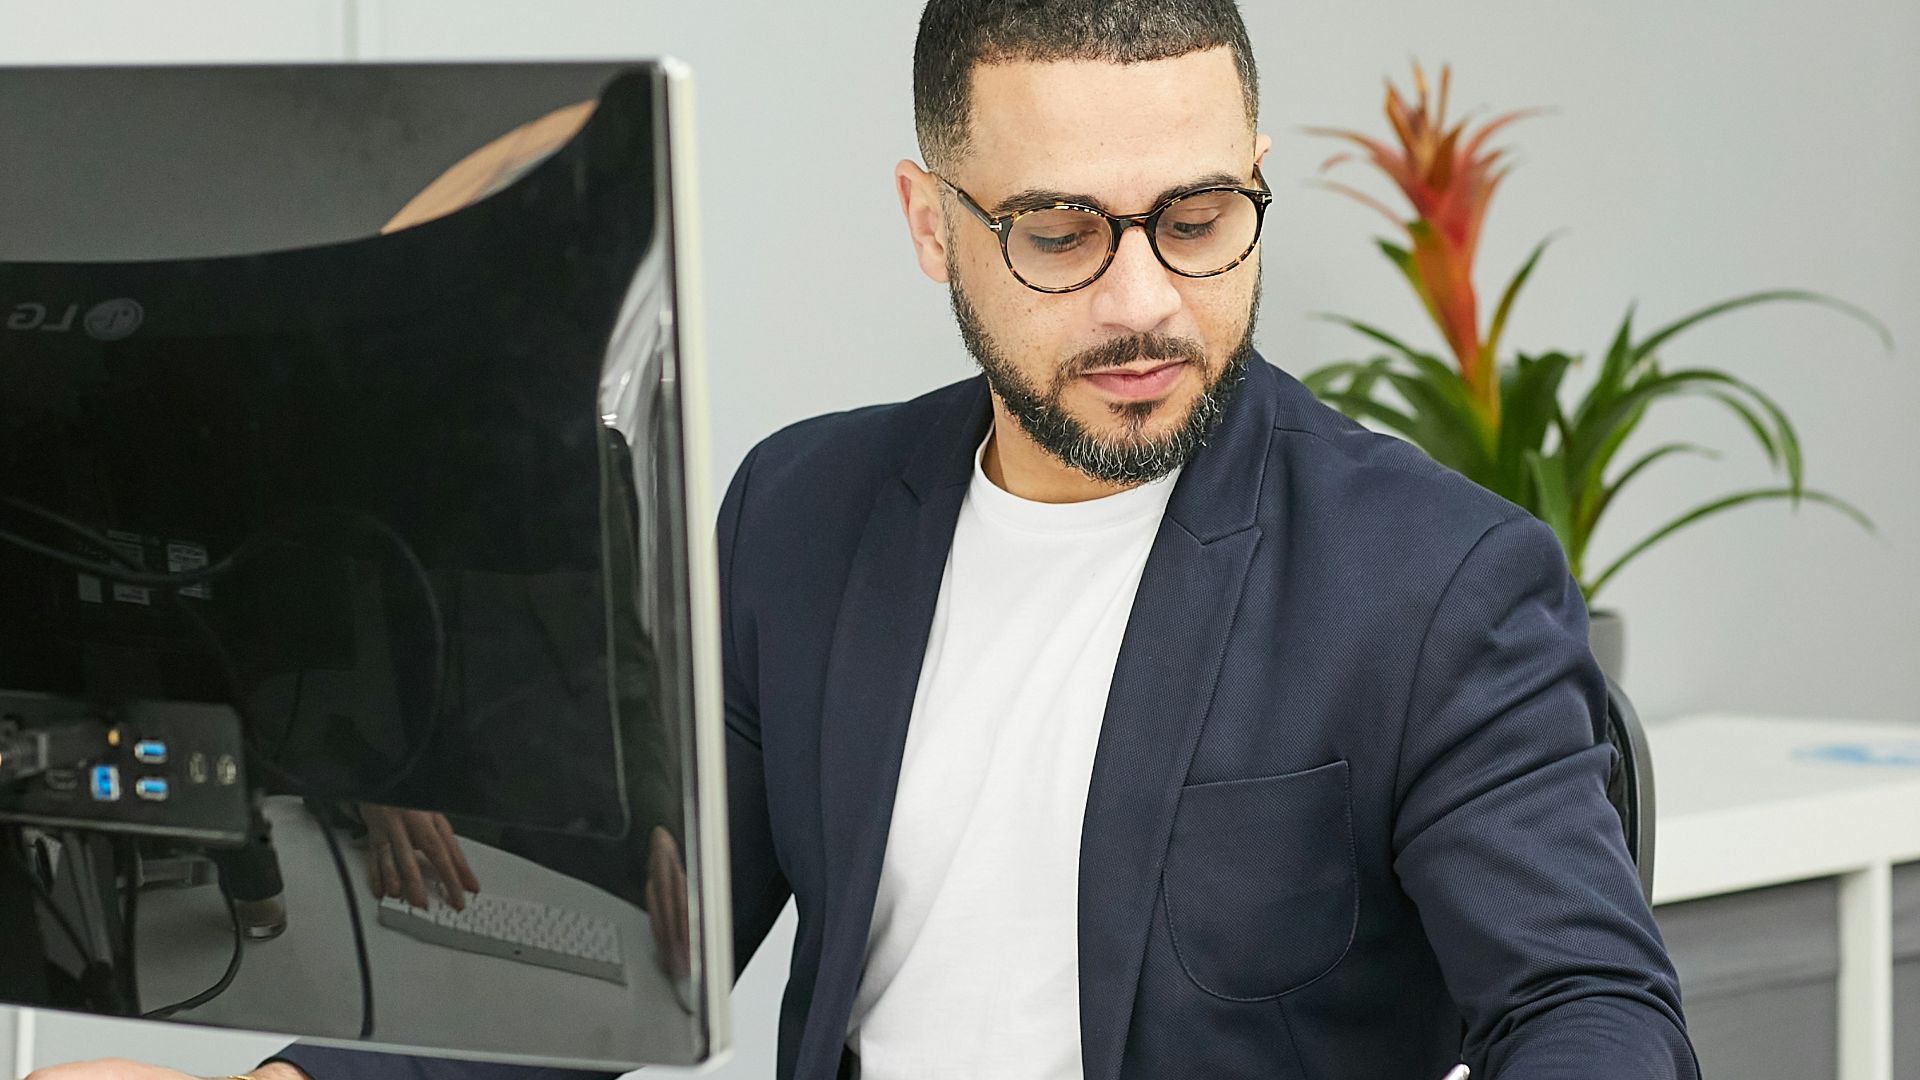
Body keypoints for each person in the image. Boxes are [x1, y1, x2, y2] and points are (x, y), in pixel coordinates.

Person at [29, 2, 1697, 1078]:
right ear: (933, 224)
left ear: (1255, 180)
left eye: (1199, 221)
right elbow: (632, 966)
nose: (1143, 300)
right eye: (1059, 231)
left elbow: (1592, 1016)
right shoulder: (806, 512)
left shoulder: (1434, 580)